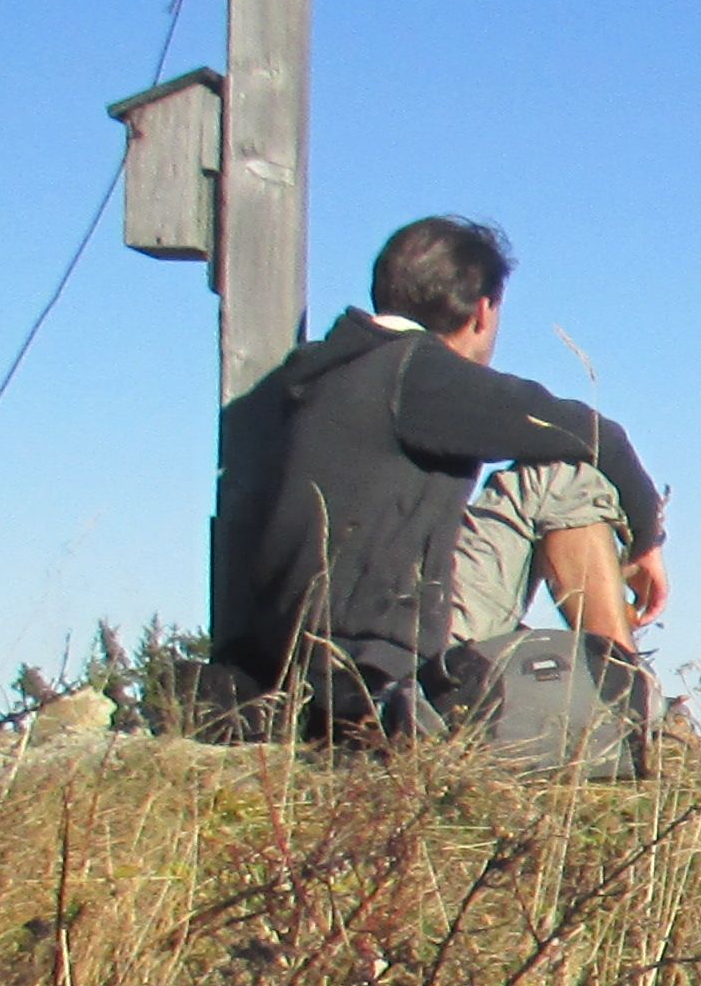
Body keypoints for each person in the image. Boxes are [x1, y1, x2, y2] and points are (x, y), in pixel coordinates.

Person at [229, 214, 668, 739]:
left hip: (291, 659)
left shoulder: (308, 378)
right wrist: (646, 538)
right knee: (566, 476)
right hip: (383, 663)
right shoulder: (415, 373)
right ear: (482, 312)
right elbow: (596, 437)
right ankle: (630, 715)